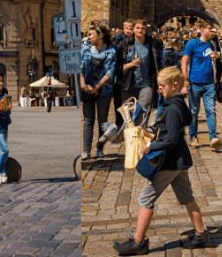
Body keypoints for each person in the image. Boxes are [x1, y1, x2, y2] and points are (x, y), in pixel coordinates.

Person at [113, 66, 208, 255]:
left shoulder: (172, 109)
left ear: (174, 85)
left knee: (145, 198)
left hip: (169, 162)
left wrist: (151, 146)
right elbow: (169, 132)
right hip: (178, 161)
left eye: (162, 86)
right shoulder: (177, 104)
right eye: (158, 87)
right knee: (188, 199)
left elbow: (171, 139)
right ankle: (201, 235)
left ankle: (138, 242)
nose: (159, 90)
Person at [180, 24, 222, 150]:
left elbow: (220, 56)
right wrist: (185, 79)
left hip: (210, 83)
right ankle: (193, 137)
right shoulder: (192, 43)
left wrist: (217, 56)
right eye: (210, 29)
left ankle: (213, 138)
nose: (212, 31)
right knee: (194, 112)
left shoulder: (213, 44)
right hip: (195, 83)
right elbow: (184, 61)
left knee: (211, 110)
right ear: (202, 30)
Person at [80, 24, 116, 160]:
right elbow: (81, 69)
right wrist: (84, 86)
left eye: (91, 35)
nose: (88, 37)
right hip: (87, 88)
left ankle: (99, 149)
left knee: (102, 121)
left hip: (104, 90)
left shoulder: (111, 51)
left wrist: (96, 88)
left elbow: (109, 72)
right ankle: (86, 150)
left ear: (100, 36)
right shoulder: (85, 50)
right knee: (88, 120)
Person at [121, 21, 163, 121]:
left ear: (146, 30)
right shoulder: (126, 44)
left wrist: (160, 81)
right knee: (130, 118)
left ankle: (139, 130)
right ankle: (134, 135)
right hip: (129, 85)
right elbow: (118, 67)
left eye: (143, 28)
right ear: (133, 30)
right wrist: (131, 64)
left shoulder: (152, 44)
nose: (140, 30)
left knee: (140, 109)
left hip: (146, 84)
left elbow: (159, 64)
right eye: (138, 28)